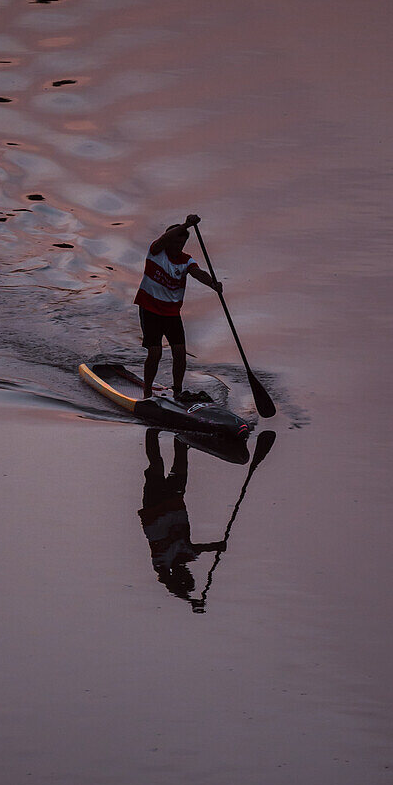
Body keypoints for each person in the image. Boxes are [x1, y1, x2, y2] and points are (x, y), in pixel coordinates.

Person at [134, 213, 222, 400]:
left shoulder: (186, 260)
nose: (177, 247)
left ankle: (178, 391)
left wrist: (213, 283)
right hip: (150, 309)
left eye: (181, 244)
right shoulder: (156, 251)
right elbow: (165, 239)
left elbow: (198, 273)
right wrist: (186, 225)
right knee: (155, 352)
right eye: (174, 243)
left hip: (171, 313)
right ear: (168, 241)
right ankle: (147, 392)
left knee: (180, 353)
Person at [138, 430, 226, 611]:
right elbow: (201, 548)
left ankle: (152, 430)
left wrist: (188, 600)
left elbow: (167, 583)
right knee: (181, 461)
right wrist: (218, 546)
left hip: (154, 507)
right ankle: (181, 431)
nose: (187, 571)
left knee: (156, 463)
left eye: (186, 575)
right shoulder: (187, 555)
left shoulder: (162, 565)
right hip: (175, 501)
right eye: (189, 574)